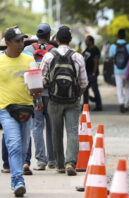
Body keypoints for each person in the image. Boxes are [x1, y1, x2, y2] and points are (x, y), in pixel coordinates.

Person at [0, 26, 40, 197]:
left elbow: (36, 86)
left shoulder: (29, 59)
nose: (21, 43)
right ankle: (18, 180)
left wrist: (38, 96)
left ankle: (15, 179)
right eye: (17, 40)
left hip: (26, 109)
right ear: (7, 43)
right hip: (6, 110)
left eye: (23, 40)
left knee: (23, 148)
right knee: (14, 144)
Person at [41, 25, 88, 176]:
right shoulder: (77, 56)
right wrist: (78, 95)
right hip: (72, 100)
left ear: (56, 39)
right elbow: (84, 82)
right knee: (73, 131)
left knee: (56, 132)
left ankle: (60, 165)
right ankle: (70, 163)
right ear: (70, 40)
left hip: (53, 100)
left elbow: (42, 79)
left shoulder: (49, 56)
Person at [24, 23, 56, 170]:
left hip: (35, 93)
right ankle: (52, 160)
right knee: (51, 126)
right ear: (49, 35)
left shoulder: (27, 50)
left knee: (37, 126)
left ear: (37, 35)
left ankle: (41, 161)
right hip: (50, 94)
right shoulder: (54, 51)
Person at [109, 29, 129, 113]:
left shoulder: (113, 46)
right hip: (127, 71)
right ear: (125, 36)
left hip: (117, 70)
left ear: (117, 36)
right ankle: (126, 105)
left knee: (119, 87)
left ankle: (121, 103)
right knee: (127, 87)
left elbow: (111, 58)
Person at [83, 35, 103, 111]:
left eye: (87, 40)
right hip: (86, 72)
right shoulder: (87, 49)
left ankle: (99, 106)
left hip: (92, 73)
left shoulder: (95, 50)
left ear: (91, 41)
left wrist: (94, 73)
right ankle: (85, 106)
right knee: (85, 90)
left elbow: (96, 62)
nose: (85, 42)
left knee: (95, 89)